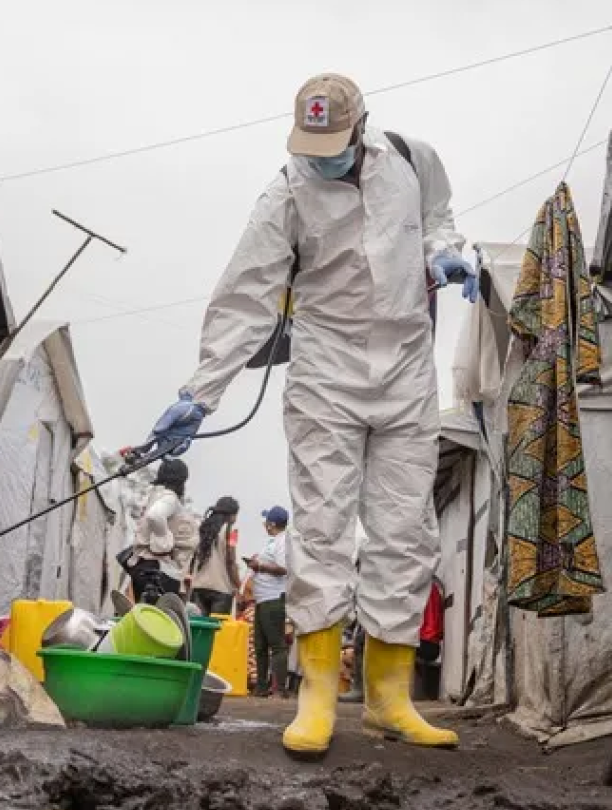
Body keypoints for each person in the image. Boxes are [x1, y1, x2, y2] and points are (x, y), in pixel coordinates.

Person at [147, 73, 473, 757]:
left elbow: (439, 215)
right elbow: (247, 294)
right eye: (310, 146)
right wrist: (201, 392)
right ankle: (317, 696)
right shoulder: (287, 192)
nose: (319, 159)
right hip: (326, 369)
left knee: (404, 529)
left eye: (333, 145)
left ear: (361, 127)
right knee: (322, 525)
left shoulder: (412, 160)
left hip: (407, 367)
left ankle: (388, 698)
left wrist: (443, 252)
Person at [126, 458, 199, 603]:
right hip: (157, 569)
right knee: (157, 615)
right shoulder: (170, 498)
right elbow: (155, 515)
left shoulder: (155, 496)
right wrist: (164, 542)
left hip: (143, 565)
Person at [247, 506, 290, 697]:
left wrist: (260, 566)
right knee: (260, 644)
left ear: (271, 524)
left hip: (273, 597)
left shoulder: (282, 542)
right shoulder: (272, 542)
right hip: (263, 598)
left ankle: (280, 689)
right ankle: (262, 687)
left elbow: (283, 568)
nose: (264, 524)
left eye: (266, 521)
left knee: (276, 644)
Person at [189, 496, 241, 616]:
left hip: (198, 586)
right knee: (218, 627)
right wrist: (238, 584)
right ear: (232, 515)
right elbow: (231, 561)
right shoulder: (232, 531)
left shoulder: (203, 529)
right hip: (221, 589)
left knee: (199, 626)